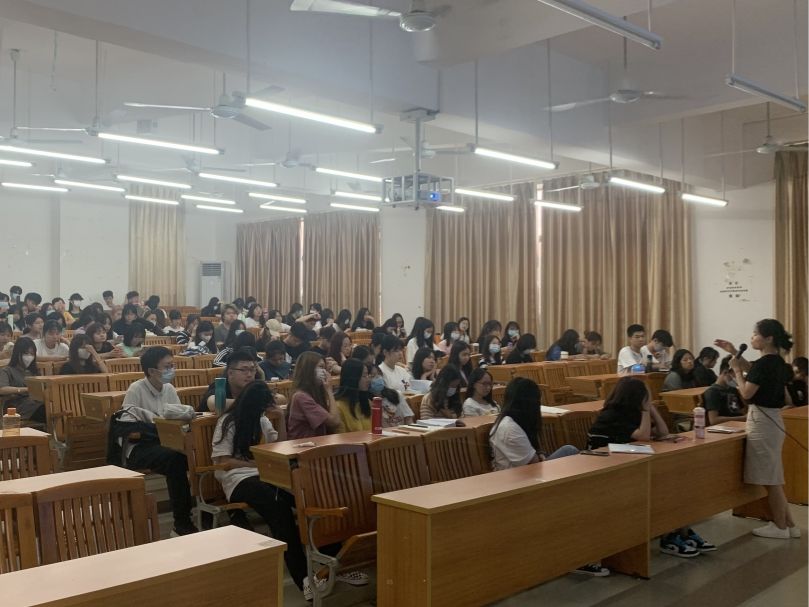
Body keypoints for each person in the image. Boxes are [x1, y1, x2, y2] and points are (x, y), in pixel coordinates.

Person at [589, 377, 713, 557]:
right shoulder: (612, 415)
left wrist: (651, 408)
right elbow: (644, 436)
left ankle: (682, 531)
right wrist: (646, 409)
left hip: (626, 465)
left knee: (678, 482)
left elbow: (662, 432)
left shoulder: (631, 413)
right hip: (606, 471)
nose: (648, 399)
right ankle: (669, 535)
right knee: (665, 487)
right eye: (646, 396)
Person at [210, 381, 312, 596]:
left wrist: (281, 418)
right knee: (278, 507)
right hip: (238, 480)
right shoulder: (228, 421)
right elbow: (224, 461)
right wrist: (255, 463)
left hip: (266, 476)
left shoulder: (262, 420)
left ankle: (327, 557)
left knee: (305, 498)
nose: (264, 412)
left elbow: (279, 449)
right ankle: (303, 576)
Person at [717, 319, 800, 539]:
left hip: (762, 421)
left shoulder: (765, 364)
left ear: (768, 338)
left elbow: (746, 393)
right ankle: (790, 525)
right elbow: (755, 372)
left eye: (755, 334)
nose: (752, 337)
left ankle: (779, 527)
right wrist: (734, 351)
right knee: (774, 476)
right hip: (772, 420)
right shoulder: (776, 362)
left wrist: (736, 371)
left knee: (770, 479)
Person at [115, 347, 197, 536]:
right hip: (139, 448)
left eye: (172, 365)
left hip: (166, 442)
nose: (171, 370)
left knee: (195, 454)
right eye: (167, 367)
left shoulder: (169, 388)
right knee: (175, 460)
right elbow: (126, 425)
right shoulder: (136, 389)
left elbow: (177, 417)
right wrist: (154, 425)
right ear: (152, 371)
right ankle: (182, 523)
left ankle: (206, 509)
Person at [490, 377, 579, 467]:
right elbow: (534, 463)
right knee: (569, 450)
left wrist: (540, 455)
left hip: (527, 469)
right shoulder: (510, 429)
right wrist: (540, 457)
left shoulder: (512, 420)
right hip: (522, 474)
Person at [287, 352, 341, 438]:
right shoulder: (301, 397)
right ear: (309, 369)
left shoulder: (315, 393)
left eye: (325, 368)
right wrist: (329, 390)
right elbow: (334, 421)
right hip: (303, 444)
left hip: (318, 442)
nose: (324, 372)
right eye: (321, 367)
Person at [0, 337, 45, 423]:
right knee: (46, 410)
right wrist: (24, 389)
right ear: (17, 353)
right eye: (26, 353)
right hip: (17, 406)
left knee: (54, 407)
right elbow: (2, 389)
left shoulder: (34, 371)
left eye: (32, 354)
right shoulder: (7, 370)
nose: (29, 357)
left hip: (35, 403)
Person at [703, 356, 747, 425]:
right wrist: (743, 419)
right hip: (725, 427)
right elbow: (714, 420)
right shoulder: (712, 392)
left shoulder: (733, 390)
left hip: (739, 425)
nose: (738, 378)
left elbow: (743, 411)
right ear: (725, 372)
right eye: (736, 374)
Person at [334, 359, 372, 432]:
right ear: (353, 378)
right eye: (364, 376)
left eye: (368, 375)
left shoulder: (367, 402)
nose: (368, 380)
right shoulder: (338, 407)